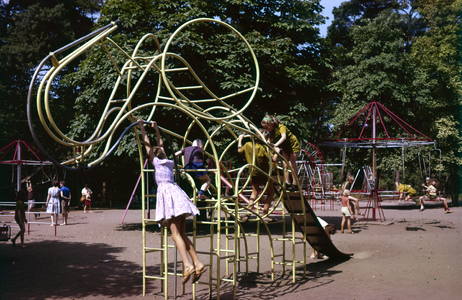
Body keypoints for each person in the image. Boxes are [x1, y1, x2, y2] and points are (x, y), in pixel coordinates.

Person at [138, 119, 206, 284]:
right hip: (178, 195)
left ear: (153, 155)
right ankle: (197, 262)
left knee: (175, 235)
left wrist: (142, 127)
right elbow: (159, 144)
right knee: (182, 234)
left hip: (170, 198)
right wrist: (156, 129)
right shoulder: (168, 161)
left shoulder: (156, 162)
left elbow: (148, 144)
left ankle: (188, 265)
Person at [238, 131, 279, 222]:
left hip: (254, 173)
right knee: (270, 193)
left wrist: (240, 139)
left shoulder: (248, 144)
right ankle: (264, 215)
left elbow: (239, 150)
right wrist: (277, 152)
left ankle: (247, 214)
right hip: (264, 174)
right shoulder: (263, 148)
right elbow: (273, 159)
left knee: (254, 193)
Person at [261, 115, 300, 191]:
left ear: (272, 124)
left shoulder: (281, 127)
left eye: (267, 127)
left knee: (291, 164)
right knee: (284, 164)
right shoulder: (271, 131)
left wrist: (275, 145)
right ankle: (287, 183)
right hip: (285, 147)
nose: (266, 129)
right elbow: (269, 140)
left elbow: (284, 137)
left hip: (293, 145)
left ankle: (295, 184)